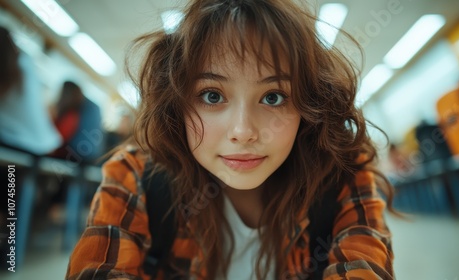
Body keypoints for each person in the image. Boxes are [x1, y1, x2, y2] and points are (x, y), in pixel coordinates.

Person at [66, 0, 395, 279]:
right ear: (176, 103)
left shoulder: (344, 177)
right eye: (211, 95)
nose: (243, 131)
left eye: (273, 97)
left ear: (309, 105)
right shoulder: (135, 175)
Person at [0, 26, 62, 155]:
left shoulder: (16, 67)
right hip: (39, 145)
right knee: (12, 174)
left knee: (11, 174)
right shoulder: (24, 64)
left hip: (17, 144)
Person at [51, 81, 104, 163]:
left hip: (75, 152)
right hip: (91, 155)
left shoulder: (74, 112)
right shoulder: (94, 107)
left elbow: (61, 136)